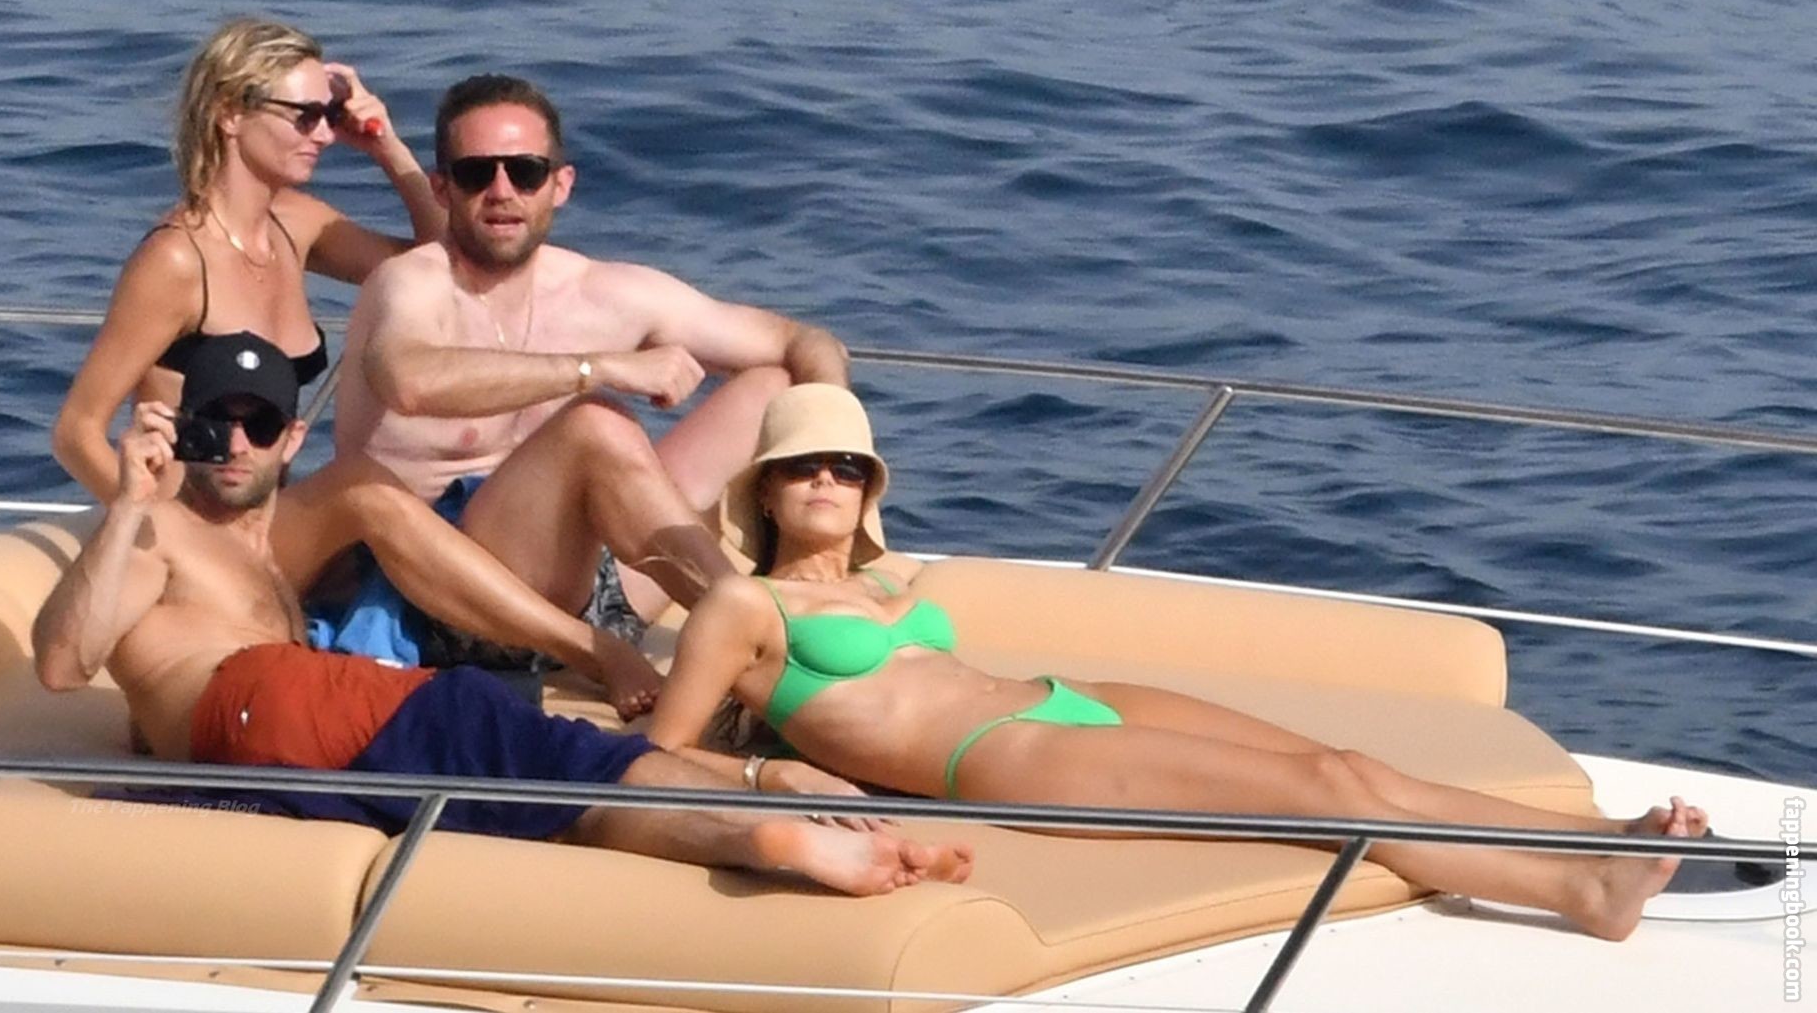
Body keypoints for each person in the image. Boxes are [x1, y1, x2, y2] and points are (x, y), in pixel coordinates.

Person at [645, 383, 1710, 942]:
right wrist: (771, 771)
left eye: (848, 464)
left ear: (869, 485)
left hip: (1064, 701)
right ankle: (1581, 891)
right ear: (766, 487)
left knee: (1352, 762)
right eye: (803, 464)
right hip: (1000, 758)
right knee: (1327, 791)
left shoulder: (891, 581)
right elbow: (661, 752)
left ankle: (1601, 838)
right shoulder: (746, 605)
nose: (827, 478)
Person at [31, 335, 972, 897]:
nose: (235, 443)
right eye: (214, 423)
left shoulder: (266, 544)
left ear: (291, 435)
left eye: (259, 424)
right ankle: (757, 823)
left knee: (536, 769)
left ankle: (761, 811)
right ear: (179, 426)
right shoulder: (154, 525)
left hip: (288, 718)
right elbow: (63, 663)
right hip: (273, 697)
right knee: (511, 737)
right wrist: (127, 500)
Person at [50, 20, 667, 719]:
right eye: (304, 115)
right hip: (201, 522)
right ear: (229, 113)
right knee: (363, 486)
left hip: (270, 521)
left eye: (328, 114)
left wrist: (385, 145)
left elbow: (445, 254)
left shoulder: (293, 225)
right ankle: (589, 647)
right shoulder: (175, 259)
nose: (323, 133)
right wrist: (165, 534)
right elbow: (76, 430)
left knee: (421, 495)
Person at [323, 73, 849, 687]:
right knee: (595, 426)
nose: (501, 191)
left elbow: (808, 342)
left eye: (525, 172)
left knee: (774, 387)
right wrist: (597, 368)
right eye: (476, 173)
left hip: (594, 591)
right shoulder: (414, 284)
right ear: (442, 187)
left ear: (561, 184)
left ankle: (813, 579)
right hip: (447, 606)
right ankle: (764, 643)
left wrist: (836, 456)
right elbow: (406, 381)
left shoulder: (601, 290)